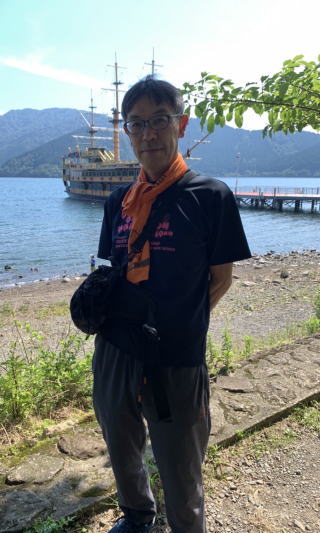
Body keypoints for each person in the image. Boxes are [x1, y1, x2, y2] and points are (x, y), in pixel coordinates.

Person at [93, 75, 251, 533]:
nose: (148, 133)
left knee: (181, 462)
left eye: (159, 120)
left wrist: (179, 322)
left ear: (180, 125)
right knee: (120, 442)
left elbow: (220, 279)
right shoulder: (117, 202)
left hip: (176, 355)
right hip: (115, 348)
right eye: (136, 123)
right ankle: (137, 516)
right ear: (128, 132)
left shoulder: (211, 196)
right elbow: (115, 271)